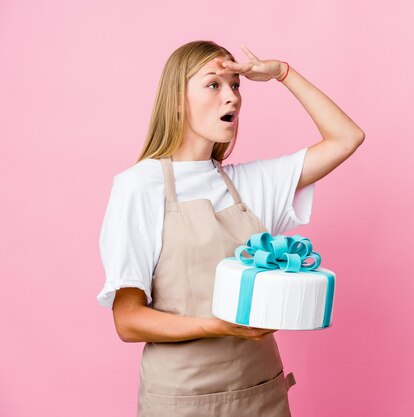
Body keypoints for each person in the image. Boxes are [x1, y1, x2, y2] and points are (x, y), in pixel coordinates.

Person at [97, 40, 364, 416]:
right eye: (214, 85)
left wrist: (282, 73)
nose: (233, 98)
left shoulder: (252, 184)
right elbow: (128, 321)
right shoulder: (139, 186)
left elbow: (346, 137)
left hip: (261, 392)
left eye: (235, 86)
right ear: (176, 100)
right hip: (183, 400)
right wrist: (220, 325)